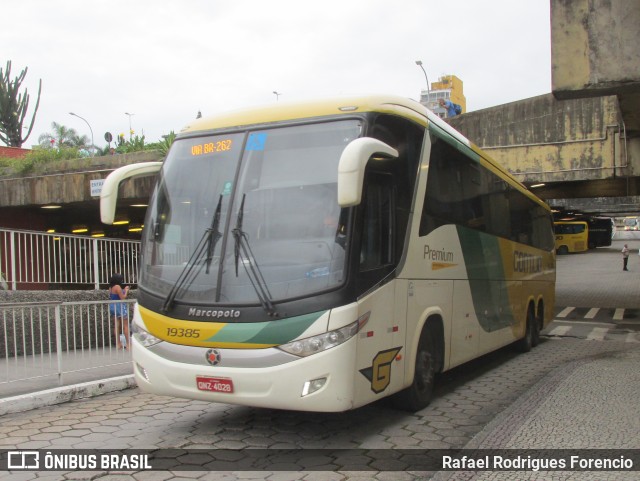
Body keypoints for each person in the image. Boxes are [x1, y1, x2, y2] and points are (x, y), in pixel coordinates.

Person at [108, 273, 130, 349]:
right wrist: (126, 290)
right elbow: (123, 297)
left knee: (116, 325)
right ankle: (128, 344)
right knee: (125, 325)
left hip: (112, 306)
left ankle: (118, 344)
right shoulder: (117, 287)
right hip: (119, 306)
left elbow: (116, 294)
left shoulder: (111, 288)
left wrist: (123, 290)